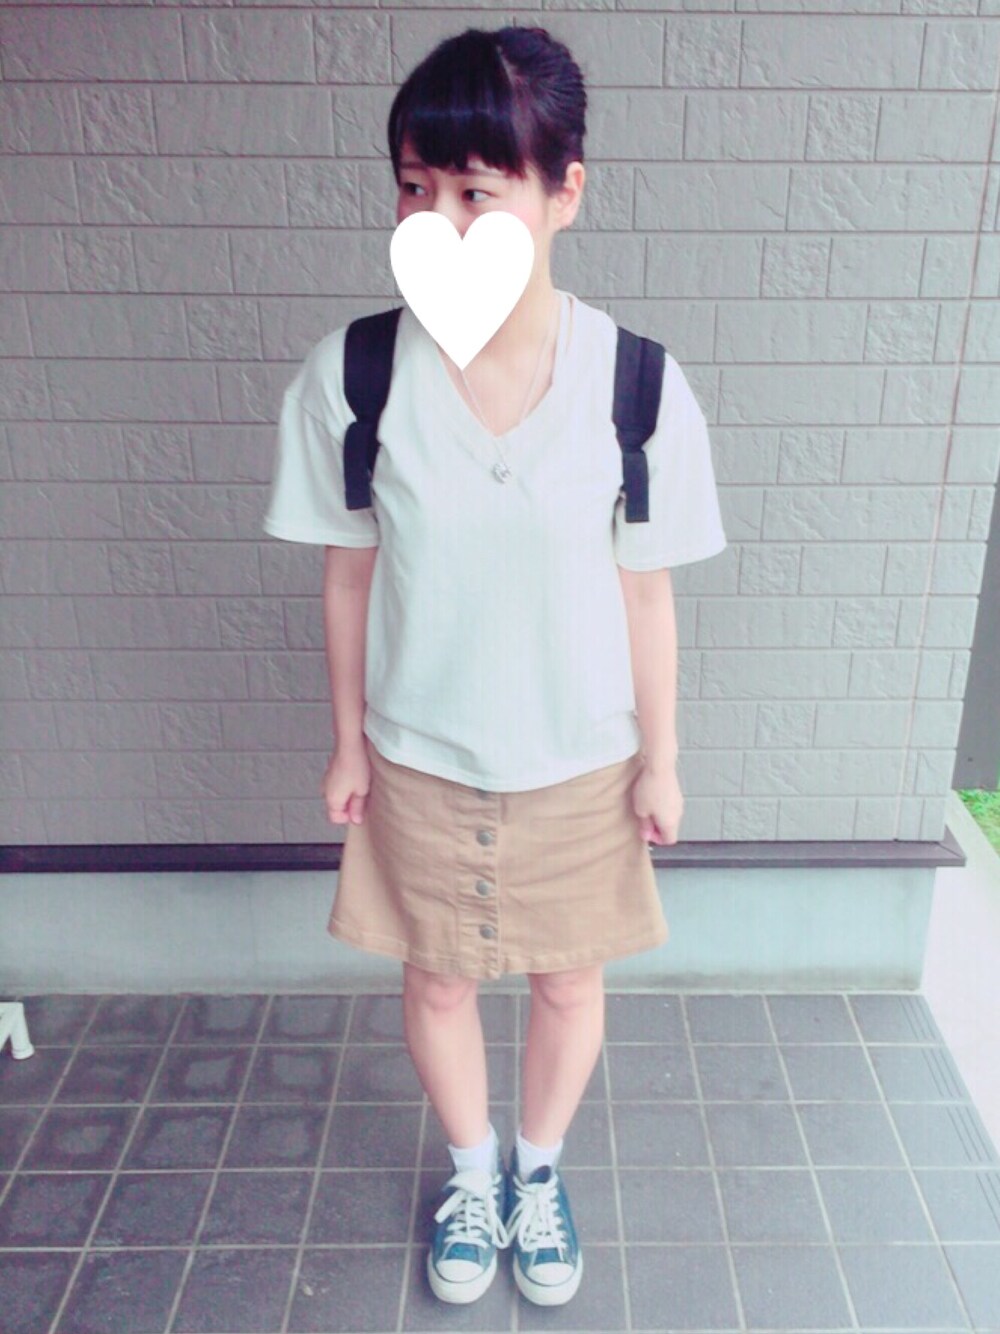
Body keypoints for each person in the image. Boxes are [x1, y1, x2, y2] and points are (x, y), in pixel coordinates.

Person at [263, 24, 726, 1310]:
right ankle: (471, 1174)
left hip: (580, 757)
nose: (440, 218)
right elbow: (347, 574)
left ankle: (539, 1169)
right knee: (437, 976)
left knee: (569, 978)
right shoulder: (356, 376)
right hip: (421, 750)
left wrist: (662, 761)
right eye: (415, 187)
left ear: (565, 191)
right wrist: (348, 741)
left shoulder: (636, 386)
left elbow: (647, 588)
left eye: (477, 189)